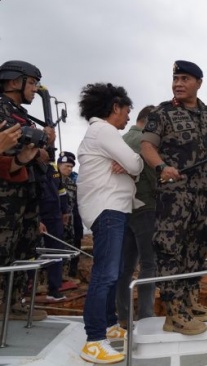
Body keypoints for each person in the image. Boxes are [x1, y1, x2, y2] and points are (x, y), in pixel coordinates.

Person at [141, 60, 207, 335]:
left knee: (197, 249)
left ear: (198, 83)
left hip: (202, 197)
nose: (178, 84)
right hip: (175, 197)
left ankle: (190, 302)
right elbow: (147, 145)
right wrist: (161, 167)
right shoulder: (163, 112)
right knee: (171, 251)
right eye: (175, 79)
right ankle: (174, 314)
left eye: (184, 79)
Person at [76, 82, 143, 364]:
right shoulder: (104, 130)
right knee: (105, 274)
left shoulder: (99, 133)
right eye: (127, 110)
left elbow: (130, 167)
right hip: (108, 210)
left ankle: (110, 325)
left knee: (111, 273)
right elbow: (137, 164)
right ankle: (93, 340)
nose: (128, 117)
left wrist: (128, 165)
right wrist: (130, 163)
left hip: (109, 209)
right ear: (114, 107)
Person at [0, 60, 55, 321]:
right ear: (13, 82)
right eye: (31, 83)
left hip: (25, 195)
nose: (34, 89)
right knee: (3, 249)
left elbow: (35, 150)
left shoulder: (19, 113)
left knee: (24, 249)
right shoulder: (2, 110)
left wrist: (40, 147)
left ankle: (15, 302)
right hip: (6, 198)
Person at [115, 105, 157, 328]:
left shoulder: (120, 140)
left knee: (126, 267)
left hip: (123, 207)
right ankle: (146, 316)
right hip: (146, 206)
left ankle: (122, 316)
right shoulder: (145, 142)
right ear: (150, 121)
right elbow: (153, 177)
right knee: (150, 264)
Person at [35, 146, 70, 301]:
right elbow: (30, 196)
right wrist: (37, 220)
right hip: (38, 218)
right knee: (32, 254)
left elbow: (61, 192)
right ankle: (27, 288)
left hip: (55, 218)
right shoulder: (32, 169)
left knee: (56, 253)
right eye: (44, 150)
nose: (48, 153)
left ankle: (54, 289)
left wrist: (65, 211)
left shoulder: (54, 171)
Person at [57, 151, 83, 280]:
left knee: (69, 246)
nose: (69, 169)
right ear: (59, 165)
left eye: (71, 167)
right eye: (66, 166)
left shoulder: (72, 183)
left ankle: (66, 276)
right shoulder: (52, 181)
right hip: (55, 221)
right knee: (55, 249)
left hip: (71, 222)